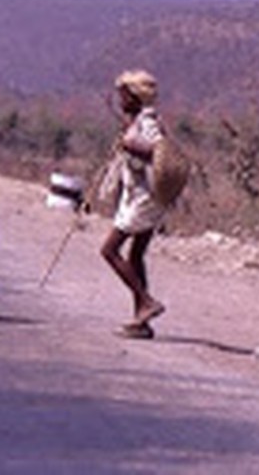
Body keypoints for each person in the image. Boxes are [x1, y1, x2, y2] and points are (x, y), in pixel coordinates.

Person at [99, 69, 169, 340]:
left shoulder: (147, 123)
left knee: (109, 250)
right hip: (147, 197)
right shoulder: (139, 120)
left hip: (144, 198)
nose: (120, 100)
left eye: (124, 95)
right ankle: (141, 321)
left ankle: (147, 301)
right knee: (135, 256)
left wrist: (130, 144)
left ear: (135, 96)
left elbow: (157, 151)